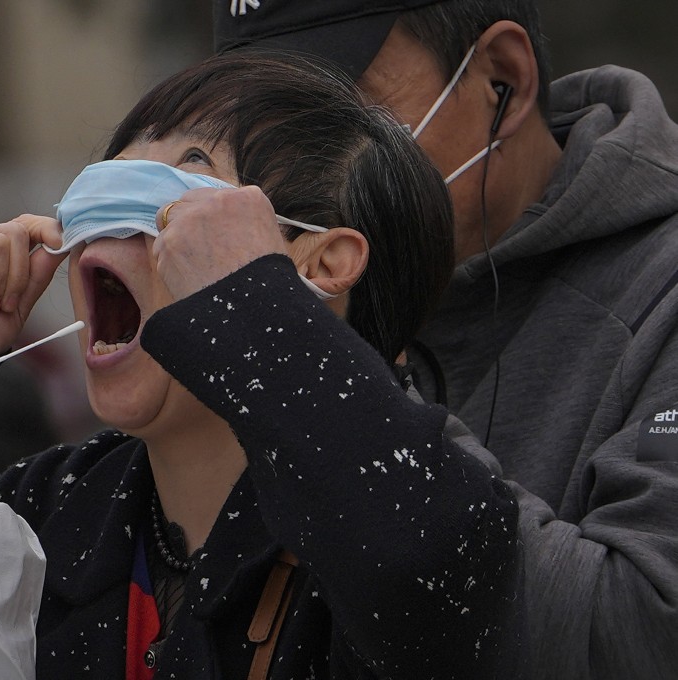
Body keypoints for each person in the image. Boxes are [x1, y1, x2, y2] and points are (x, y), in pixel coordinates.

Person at [0, 53, 525, 678]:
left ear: (319, 263)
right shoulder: (49, 512)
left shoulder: (403, 507)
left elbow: (431, 563)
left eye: (190, 164)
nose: (111, 195)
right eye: (115, 166)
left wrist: (246, 304)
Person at [214, 1, 678, 678]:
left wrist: (333, 388)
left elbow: (643, 630)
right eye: (250, 135)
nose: (276, 183)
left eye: (338, 118)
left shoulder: (659, 293)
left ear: (503, 79)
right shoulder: (279, 304)